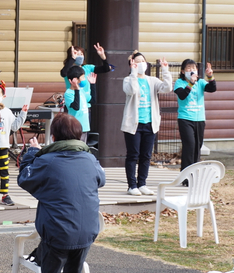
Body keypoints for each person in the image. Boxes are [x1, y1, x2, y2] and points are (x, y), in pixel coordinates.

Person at [18, 113, 105, 273]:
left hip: (57, 232)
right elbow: (102, 180)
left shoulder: (47, 161)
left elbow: (25, 179)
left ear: (53, 136)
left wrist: (31, 154)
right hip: (87, 230)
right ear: (80, 136)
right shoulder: (89, 158)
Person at [121, 52, 172, 196]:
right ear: (132, 64)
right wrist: (133, 73)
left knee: (146, 155)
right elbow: (132, 90)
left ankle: (142, 183)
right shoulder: (127, 79)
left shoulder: (152, 80)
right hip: (133, 124)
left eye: (143, 61)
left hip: (150, 123)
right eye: (137, 62)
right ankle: (132, 185)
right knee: (133, 155)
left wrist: (165, 70)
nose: (142, 64)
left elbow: (167, 88)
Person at [174, 59, 216, 171]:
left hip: (200, 119)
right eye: (189, 68)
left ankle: (194, 173)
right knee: (189, 146)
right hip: (185, 119)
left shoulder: (201, 82)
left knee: (197, 147)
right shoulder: (179, 83)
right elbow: (182, 95)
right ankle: (186, 176)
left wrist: (210, 76)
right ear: (183, 71)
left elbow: (212, 89)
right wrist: (191, 83)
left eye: (194, 68)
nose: (192, 70)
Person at [60, 43, 110, 108]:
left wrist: (103, 56)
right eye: (77, 54)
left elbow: (106, 69)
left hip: (86, 104)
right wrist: (72, 59)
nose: (80, 56)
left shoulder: (88, 68)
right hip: (73, 104)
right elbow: (63, 73)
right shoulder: (69, 70)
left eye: (81, 54)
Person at [64, 65, 96, 141]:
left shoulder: (82, 91)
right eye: (82, 77)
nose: (84, 79)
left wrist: (93, 85)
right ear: (75, 80)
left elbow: (93, 101)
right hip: (75, 128)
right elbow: (76, 107)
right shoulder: (68, 93)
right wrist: (76, 90)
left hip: (85, 127)